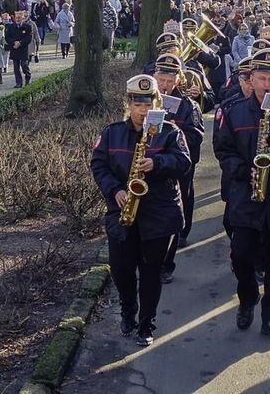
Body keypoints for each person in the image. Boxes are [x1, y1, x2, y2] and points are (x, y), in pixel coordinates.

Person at [212, 48, 270, 342]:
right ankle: (247, 297)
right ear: (250, 79)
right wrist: (244, 171)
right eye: (261, 78)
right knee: (241, 255)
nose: (267, 85)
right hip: (246, 194)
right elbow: (223, 149)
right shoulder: (232, 111)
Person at [90, 75, 191, 347]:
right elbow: (98, 165)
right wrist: (115, 190)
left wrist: (156, 163)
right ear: (129, 104)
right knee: (122, 271)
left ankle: (147, 323)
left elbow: (183, 163)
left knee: (150, 272)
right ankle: (127, 310)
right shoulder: (112, 133)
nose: (143, 111)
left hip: (159, 213)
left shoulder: (171, 132)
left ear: (156, 103)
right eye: (137, 104)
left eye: (148, 104)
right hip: (122, 212)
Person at [153, 53, 205, 279]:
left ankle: (166, 263)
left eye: (169, 81)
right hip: (152, 165)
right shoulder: (146, 101)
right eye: (161, 80)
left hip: (178, 166)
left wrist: (176, 132)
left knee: (175, 213)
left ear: (178, 80)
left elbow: (197, 137)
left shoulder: (188, 106)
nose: (164, 86)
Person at [6, 11, 34, 88]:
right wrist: (14, 42)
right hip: (14, 48)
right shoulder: (11, 27)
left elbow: (29, 38)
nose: (17, 19)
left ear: (23, 18)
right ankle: (19, 82)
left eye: (19, 18)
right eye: (16, 18)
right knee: (16, 67)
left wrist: (20, 43)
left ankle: (28, 76)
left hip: (23, 49)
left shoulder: (27, 27)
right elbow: (7, 37)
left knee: (24, 64)